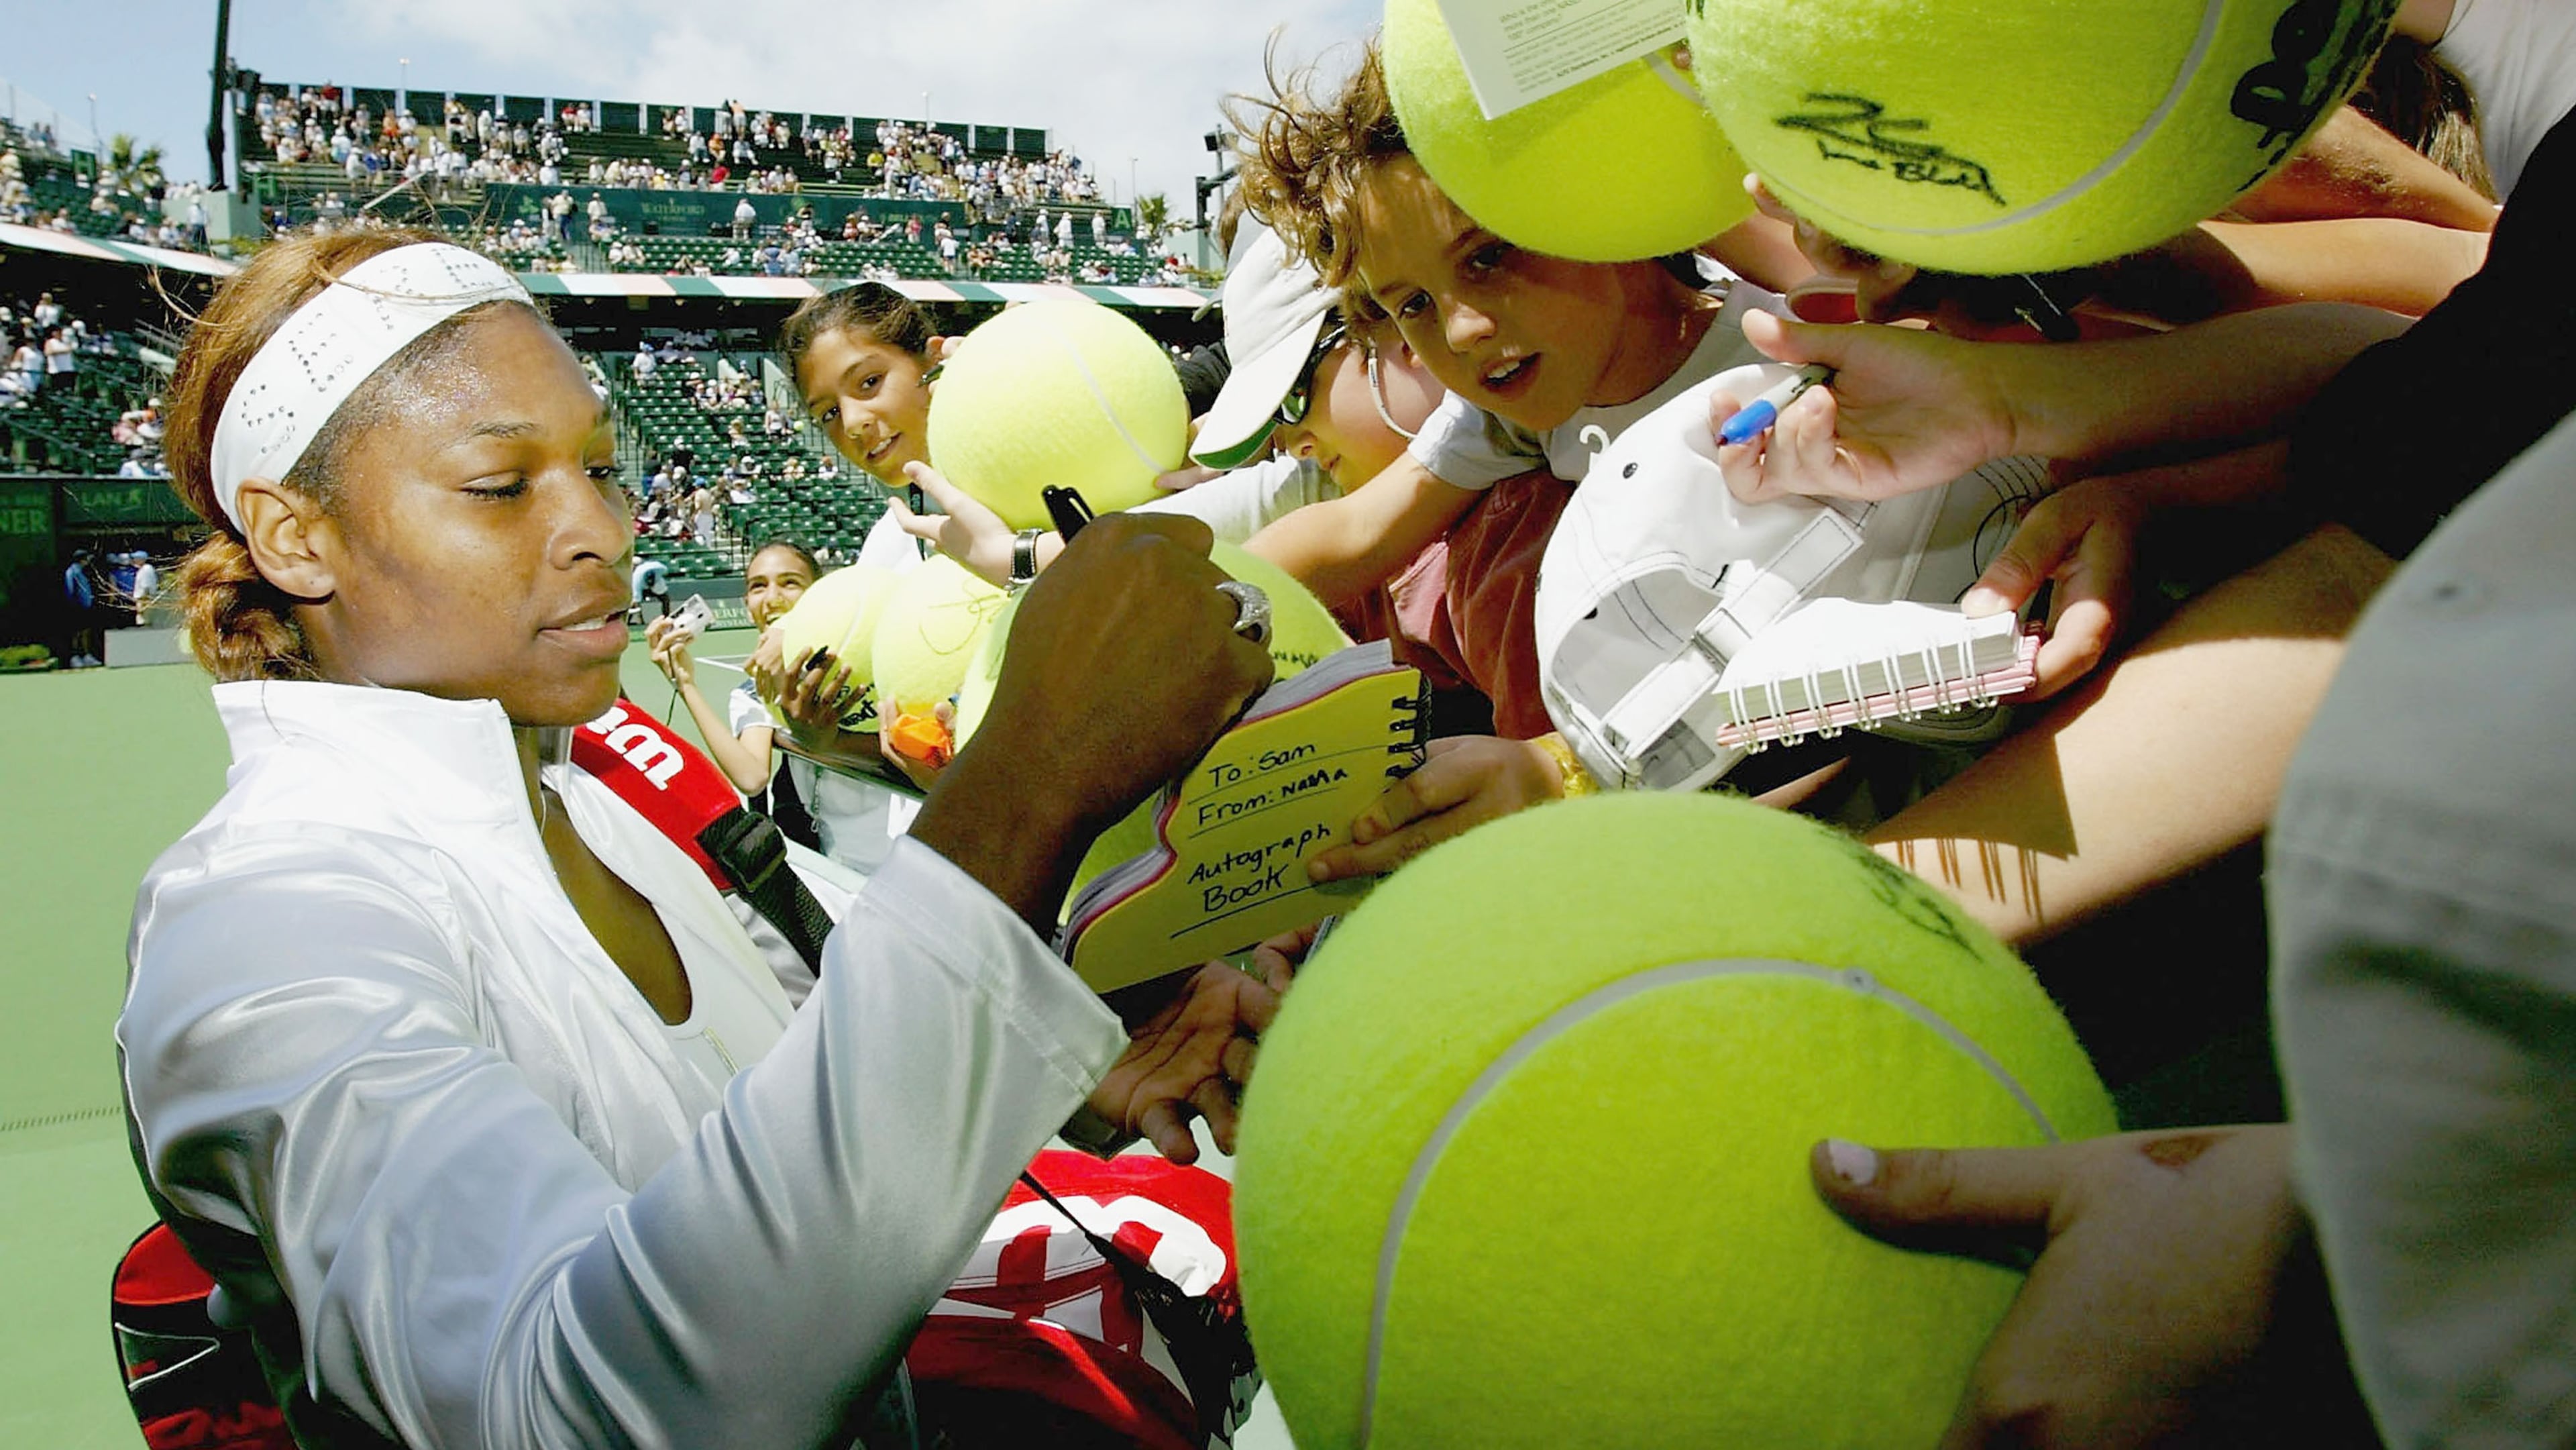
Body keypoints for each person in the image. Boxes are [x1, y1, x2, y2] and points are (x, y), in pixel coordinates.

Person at [118, 229, 1282, 1447]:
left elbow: (808, 1105)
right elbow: (568, 1411)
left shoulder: (602, 797)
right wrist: (1027, 785)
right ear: (296, 536)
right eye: (502, 485)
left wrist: (1066, 1053)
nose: (604, 529)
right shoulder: (261, 915)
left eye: (603, 467)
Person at [645, 536, 921, 876]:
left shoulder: (868, 652)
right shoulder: (755, 689)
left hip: (915, 848)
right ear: (746, 602)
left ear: (819, 592)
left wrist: (793, 630)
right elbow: (752, 776)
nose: (772, 598)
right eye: (758, 587)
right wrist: (685, 684)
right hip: (845, 861)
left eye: (790, 583)